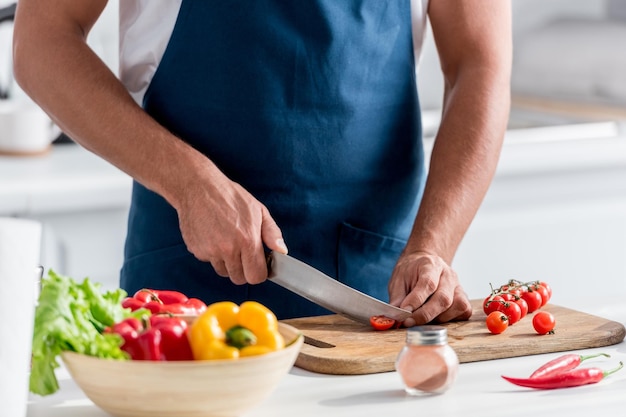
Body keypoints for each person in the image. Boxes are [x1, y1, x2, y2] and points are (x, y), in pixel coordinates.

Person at [12, 0, 512, 326]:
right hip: (188, 283)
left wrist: (433, 248)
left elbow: (480, 63)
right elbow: (42, 42)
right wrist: (190, 183)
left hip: (375, 293)